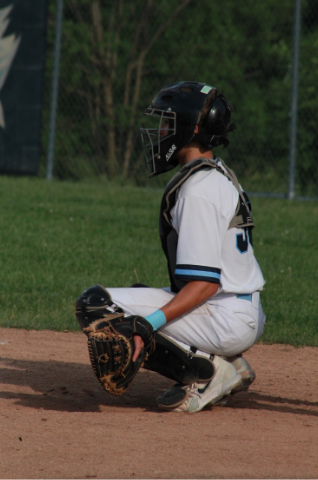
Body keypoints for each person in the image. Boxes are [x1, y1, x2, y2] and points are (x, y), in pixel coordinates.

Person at [81, 81, 266, 413]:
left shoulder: (198, 190)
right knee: (137, 297)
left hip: (224, 316)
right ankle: (228, 362)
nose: (161, 130)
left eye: (168, 122)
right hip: (239, 308)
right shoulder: (216, 173)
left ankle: (206, 373)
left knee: (97, 306)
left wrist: (148, 324)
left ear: (190, 128)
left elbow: (204, 284)